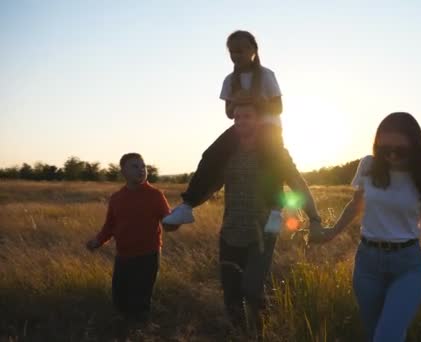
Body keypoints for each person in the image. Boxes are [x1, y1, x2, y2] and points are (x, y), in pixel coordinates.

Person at [165, 103, 323, 333]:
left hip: (265, 229)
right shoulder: (226, 154)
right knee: (231, 294)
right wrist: (185, 210)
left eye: (247, 116)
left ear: (259, 120)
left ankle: (260, 330)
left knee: (251, 289)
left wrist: (315, 218)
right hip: (230, 230)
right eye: (237, 117)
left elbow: (298, 183)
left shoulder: (274, 154)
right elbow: (209, 185)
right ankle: (241, 334)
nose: (240, 121)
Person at [312, 112, 421, 341]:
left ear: (415, 145)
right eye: (384, 149)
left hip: (408, 266)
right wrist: (331, 233)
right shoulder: (369, 165)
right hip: (367, 263)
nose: (391, 155)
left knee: (387, 336)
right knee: (375, 333)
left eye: (399, 150)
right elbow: (355, 205)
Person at [163, 30, 284, 226]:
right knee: (212, 155)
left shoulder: (266, 75)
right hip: (242, 126)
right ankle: (188, 206)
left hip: (268, 128)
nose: (236, 55)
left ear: (253, 50)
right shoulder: (229, 80)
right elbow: (229, 113)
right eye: (232, 52)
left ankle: (275, 211)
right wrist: (237, 103)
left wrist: (255, 102)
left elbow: (278, 108)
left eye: (241, 50)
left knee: (270, 160)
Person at [85, 153, 171, 322]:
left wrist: (176, 220)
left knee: (140, 300)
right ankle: (124, 331)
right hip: (123, 256)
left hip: (148, 255)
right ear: (123, 171)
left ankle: (140, 331)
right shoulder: (117, 198)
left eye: (143, 166)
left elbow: (168, 221)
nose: (141, 170)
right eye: (135, 166)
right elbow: (110, 226)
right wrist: (97, 241)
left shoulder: (155, 195)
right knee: (120, 299)